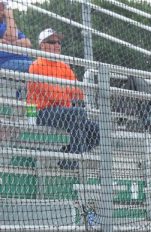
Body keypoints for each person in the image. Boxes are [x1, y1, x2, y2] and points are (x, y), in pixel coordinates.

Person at [26, 29, 99, 168]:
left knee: (100, 131)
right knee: (79, 114)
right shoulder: (36, 65)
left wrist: (63, 91)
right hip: (38, 112)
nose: (57, 45)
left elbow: (78, 93)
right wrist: (66, 92)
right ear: (42, 45)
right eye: (52, 42)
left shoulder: (63, 66)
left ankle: (67, 158)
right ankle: (71, 162)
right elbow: (54, 95)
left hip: (62, 111)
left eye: (59, 42)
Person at [0, 1, 32, 73]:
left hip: (23, 62)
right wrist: (9, 15)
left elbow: (27, 43)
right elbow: (12, 36)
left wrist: (8, 42)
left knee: (41, 66)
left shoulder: (7, 26)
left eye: (3, 7)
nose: (2, 10)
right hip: (5, 63)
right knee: (38, 67)